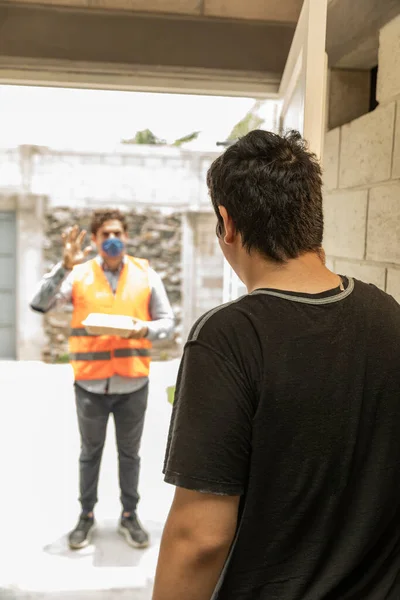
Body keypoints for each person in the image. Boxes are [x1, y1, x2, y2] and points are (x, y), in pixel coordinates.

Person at [153, 130, 400, 600]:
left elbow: (200, 538)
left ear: (226, 223)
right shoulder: (388, 314)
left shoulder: (229, 338)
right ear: (313, 216)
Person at [30, 209, 174, 551]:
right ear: (95, 240)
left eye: (118, 233)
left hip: (132, 384)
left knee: (130, 454)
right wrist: (63, 265)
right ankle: (86, 516)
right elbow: (39, 303)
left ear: (126, 237)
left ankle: (129, 515)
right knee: (90, 453)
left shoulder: (145, 273)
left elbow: (167, 321)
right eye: (105, 234)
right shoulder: (78, 274)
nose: (113, 239)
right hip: (91, 385)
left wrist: (145, 329)